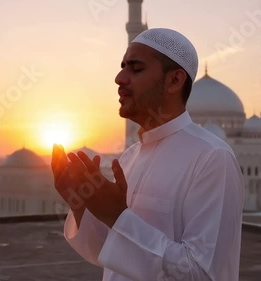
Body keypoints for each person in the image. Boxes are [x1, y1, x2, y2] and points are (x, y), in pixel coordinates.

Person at [51, 28, 245, 281]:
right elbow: (111, 253)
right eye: (122, 67)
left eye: (136, 68)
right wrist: (80, 204)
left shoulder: (211, 158)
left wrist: (118, 217)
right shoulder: (130, 157)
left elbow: (201, 273)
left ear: (174, 81)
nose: (119, 78)